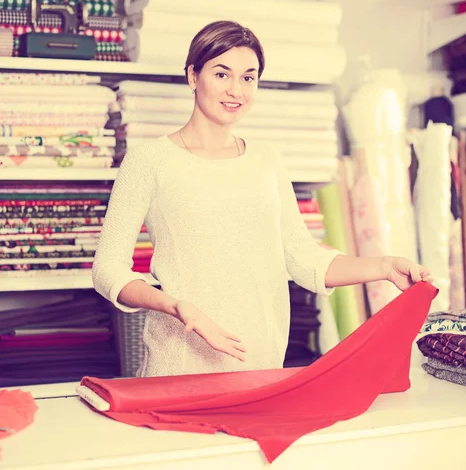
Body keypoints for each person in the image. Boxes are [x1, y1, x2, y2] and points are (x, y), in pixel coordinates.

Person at [92, 20, 433, 377]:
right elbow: (108, 269)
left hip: (261, 363)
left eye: (248, 77)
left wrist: (384, 267)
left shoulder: (267, 160)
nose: (235, 90)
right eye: (222, 74)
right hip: (179, 365)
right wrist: (175, 306)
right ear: (193, 76)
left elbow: (304, 259)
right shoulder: (150, 161)